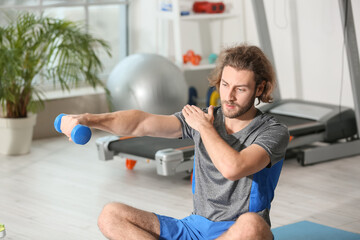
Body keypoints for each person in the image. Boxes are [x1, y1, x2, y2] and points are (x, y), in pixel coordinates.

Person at [60, 44, 289, 240]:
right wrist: (88, 119)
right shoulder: (203, 118)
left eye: (240, 89)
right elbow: (141, 123)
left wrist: (204, 128)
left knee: (252, 225)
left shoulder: (272, 131)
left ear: (259, 88)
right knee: (110, 214)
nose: (228, 96)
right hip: (194, 228)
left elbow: (233, 168)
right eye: (225, 85)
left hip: (237, 232)